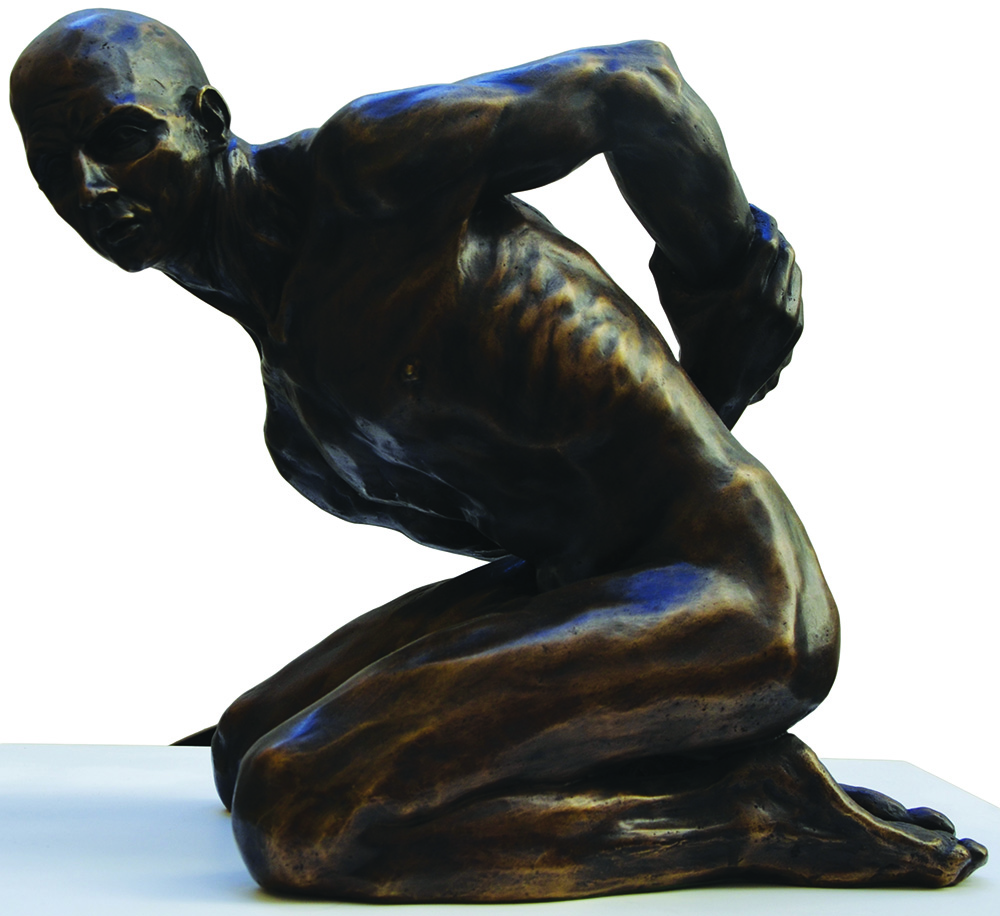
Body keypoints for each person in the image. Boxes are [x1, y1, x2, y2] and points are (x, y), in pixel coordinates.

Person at [11, 8, 985, 901]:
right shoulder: (299, 428)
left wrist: (724, 277)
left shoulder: (369, 171)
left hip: (735, 594)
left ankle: (746, 812)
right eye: (52, 164)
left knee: (295, 817)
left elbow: (634, 83)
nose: (90, 187)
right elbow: (564, 493)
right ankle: (649, 755)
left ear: (210, 119)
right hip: (592, 582)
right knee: (242, 748)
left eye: (124, 138)